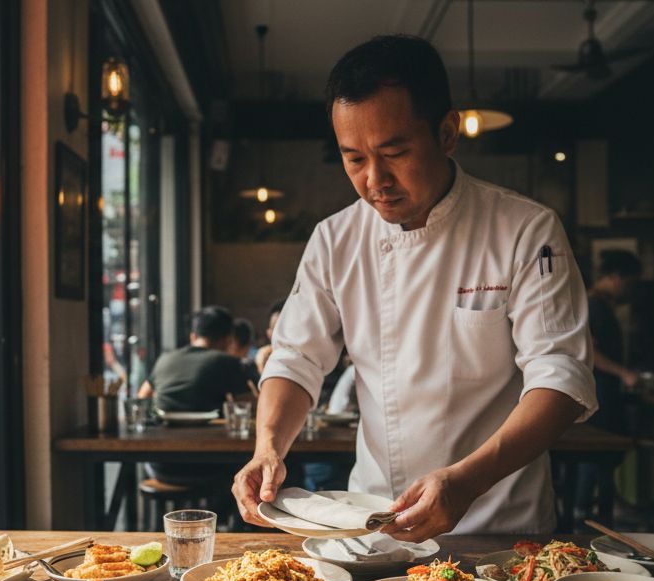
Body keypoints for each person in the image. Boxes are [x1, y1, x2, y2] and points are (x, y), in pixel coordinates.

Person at [232, 36, 597, 542]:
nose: (374, 180)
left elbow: (560, 377)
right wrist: (268, 448)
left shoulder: (525, 229)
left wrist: (466, 482)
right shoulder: (335, 240)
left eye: (395, 152)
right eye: (354, 159)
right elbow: (295, 359)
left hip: (497, 529)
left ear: (447, 133)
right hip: (372, 525)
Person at [137, 306, 250, 484]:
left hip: (160, 466)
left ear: (193, 336)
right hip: (210, 466)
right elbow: (249, 407)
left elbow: (141, 398)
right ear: (229, 339)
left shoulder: (165, 358)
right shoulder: (228, 362)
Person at [573, 250, 642, 518]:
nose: (630, 291)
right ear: (616, 277)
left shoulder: (599, 304)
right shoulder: (594, 305)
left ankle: (596, 508)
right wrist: (624, 373)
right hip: (598, 390)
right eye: (630, 283)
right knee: (597, 452)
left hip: (603, 389)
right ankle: (584, 511)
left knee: (602, 456)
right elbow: (590, 351)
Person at [254, 299, 286, 375]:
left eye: (285, 329)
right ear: (269, 333)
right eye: (275, 329)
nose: (281, 335)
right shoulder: (261, 360)